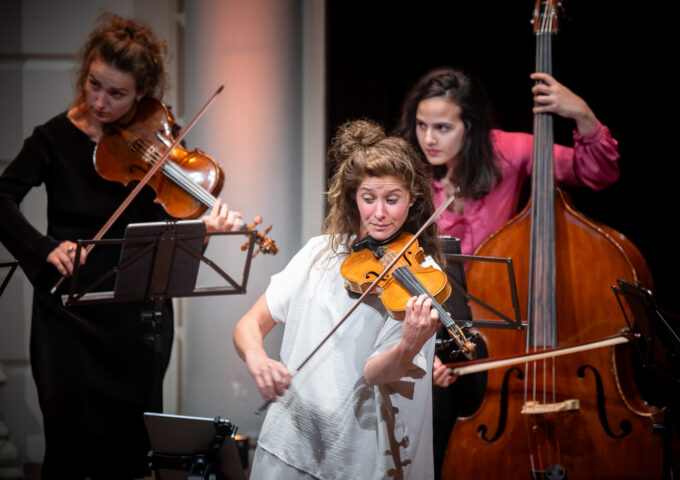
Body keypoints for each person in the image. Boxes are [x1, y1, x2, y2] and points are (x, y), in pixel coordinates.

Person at [0, 13, 239, 478]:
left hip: (135, 319)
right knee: (67, 451)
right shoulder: (53, 139)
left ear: (142, 93)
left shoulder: (156, 141)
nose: (100, 102)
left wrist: (205, 228)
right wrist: (44, 248)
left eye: (117, 93)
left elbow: (171, 227)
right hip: (67, 315)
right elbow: (2, 199)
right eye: (94, 85)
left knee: (132, 456)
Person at [395, 66, 621, 479]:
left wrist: (582, 114)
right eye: (422, 125)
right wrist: (427, 346)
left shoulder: (509, 151)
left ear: (471, 126)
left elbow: (595, 171)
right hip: (431, 322)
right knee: (430, 428)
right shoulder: (412, 169)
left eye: (443, 127)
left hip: (496, 333)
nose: (428, 139)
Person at [233, 119, 446, 479]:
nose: (379, 213)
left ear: (413, 199)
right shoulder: (320, 252)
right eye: (368, 198)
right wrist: (256, 357)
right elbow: (250, 323)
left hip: (354, 455)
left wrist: (408, 346)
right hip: (287, 441)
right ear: (353, 198)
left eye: (392, 200)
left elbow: (375, 373)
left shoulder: (420, 276)